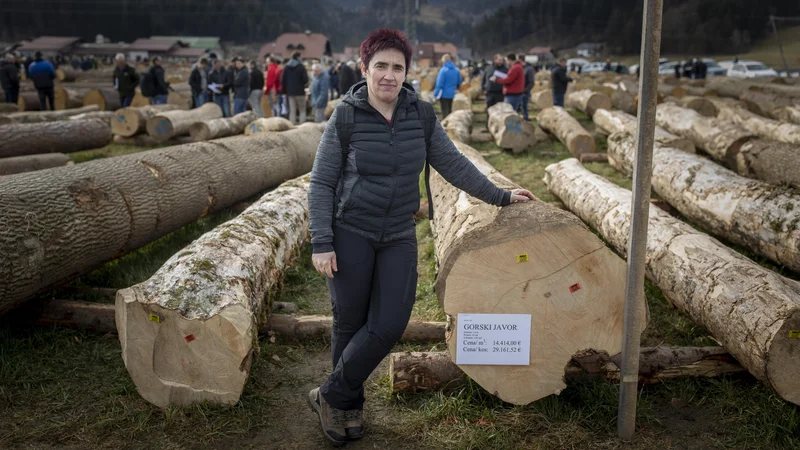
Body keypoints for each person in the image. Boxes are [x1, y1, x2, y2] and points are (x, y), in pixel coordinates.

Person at [306, 28, 535, 446]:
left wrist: (500, 196)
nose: (389, 75)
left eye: (397, 67)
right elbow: (321, 182)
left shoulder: (421, 114)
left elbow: (452, 163)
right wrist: (322, 241)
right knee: (350, 322)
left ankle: (329, 393)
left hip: (396, 232)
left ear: (407, 71)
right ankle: (345, 407)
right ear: (365, 69)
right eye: (381, 66)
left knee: (390, 323)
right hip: (349, 230)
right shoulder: (347, 115)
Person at [281, 51, 309, 125]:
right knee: (302, 110)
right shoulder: (301, 67)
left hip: (290, 93)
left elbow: (283, 80)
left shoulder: (286, 67)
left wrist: (284, 91)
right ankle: (302, 125)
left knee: (292, 110)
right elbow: (305, 79)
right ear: (298, 57)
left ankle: (292, 126)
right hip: (300, 92)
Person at [433, 53, 462, 118]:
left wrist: (435, 94)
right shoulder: (456, 70)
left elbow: (439, 84)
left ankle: (445, 126)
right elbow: (459, 81)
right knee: (450, 111)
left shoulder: (443, 70)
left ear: (443, 61)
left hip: (444, 94)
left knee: (445, 112)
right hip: (452, 94)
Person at [521, 54, 535, 121]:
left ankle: (525, 120)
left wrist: (525, 90)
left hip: (524, 92)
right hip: (518, 91)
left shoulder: (528, 69)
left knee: (524, 107)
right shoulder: (520, 68)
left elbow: (531, 82)